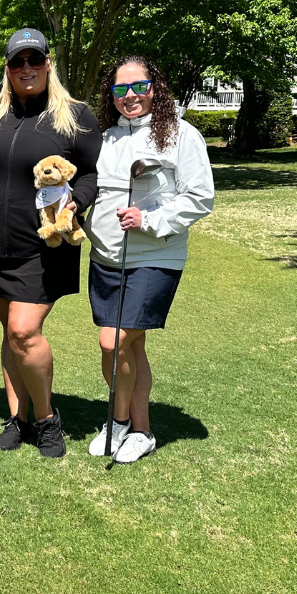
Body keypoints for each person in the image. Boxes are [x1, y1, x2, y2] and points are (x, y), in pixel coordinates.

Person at [0, 29, 102, 457]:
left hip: (45, 244)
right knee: (10, 332)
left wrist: (73, 205)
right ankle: (17, 417)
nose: (26, 68)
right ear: (6, 69)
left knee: (24, 331)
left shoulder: (75, 115)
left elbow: (91, 174)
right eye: (16, 62)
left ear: (49, 63)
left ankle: (46, 419)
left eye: (34, 59)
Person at [83, 55, 215, 463]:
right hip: (106, 257)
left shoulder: (180, 134)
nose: (130, 96)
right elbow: (95, 189)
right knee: (128, 350)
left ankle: (118, 422)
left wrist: (150, 219)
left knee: (115, 341)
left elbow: (200, 197)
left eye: (138, 86)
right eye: (119, 89)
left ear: (154, 87)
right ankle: (141, 430)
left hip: (155, 257)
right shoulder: (105, 138)